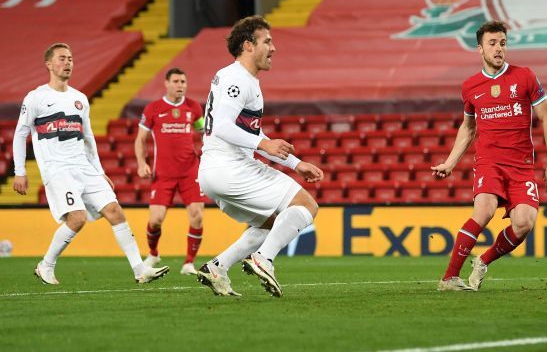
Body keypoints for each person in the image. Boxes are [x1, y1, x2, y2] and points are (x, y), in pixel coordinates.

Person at [12, 43, 170, 285]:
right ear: (49, 65)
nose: (68, 63)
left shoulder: (80, 99)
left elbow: (88, 139)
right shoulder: (36, 98)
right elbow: (20, 134)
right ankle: (46, 265)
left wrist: (99, 170)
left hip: (84, 167)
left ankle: (140, 270)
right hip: (58, 168)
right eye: (62, 58)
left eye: (71, 59)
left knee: (115, 212)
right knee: (77, 219)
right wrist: (20, 171)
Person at [196, 16, 324, 297]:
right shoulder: (236, 78)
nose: (273, 48)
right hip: (229, 168)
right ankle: (264, 259)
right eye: (267, 41)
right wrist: (263, 145)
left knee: (272, 223)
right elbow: (222, 127)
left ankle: (217, 266)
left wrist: (295, 163)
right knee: (307, 205)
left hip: (213, 173)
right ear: (248, 46)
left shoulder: (243, 80)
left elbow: (249, 132)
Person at [431, 21, 547, 291]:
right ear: (480, 49)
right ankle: (449, 278)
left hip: (521, 165)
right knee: (485, 210)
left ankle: (483, 261)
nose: (498, 48)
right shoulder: (470, 87)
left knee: (524, 223)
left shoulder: (525, 76)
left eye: (502, 43)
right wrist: (450, 162)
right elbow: (468, 128)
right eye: (492, 43)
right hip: (489, 163)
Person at [135, 67, 205, 276]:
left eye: (183, 82)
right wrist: (141, 162)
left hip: (189, 171)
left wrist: (206, 152)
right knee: (155, 220)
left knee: (197, 216)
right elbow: (140, 139)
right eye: (176, 81)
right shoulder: (153, 109)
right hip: (163, 173)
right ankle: (154, 253)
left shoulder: (194, 108)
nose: (180, 85)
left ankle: (189, 263)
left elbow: (204, 132)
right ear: (166, 84)